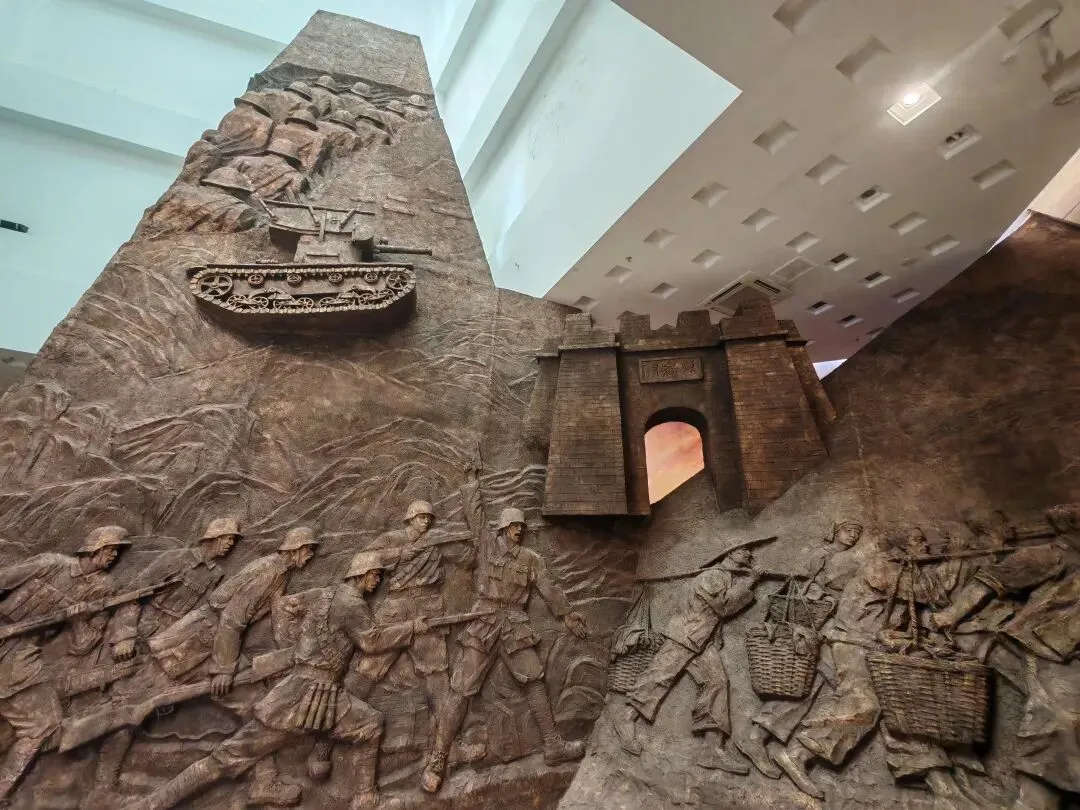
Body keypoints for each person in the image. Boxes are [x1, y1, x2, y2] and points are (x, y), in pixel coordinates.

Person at [122, 548, 423, 810]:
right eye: (375, 575)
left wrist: (294, 648)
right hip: (312, 696)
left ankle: (152, 803)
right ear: (361, 575)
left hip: (299, 691)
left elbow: (285, 605)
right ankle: (364, 799)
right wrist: (411, 628)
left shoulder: (326, 593)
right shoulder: (352, 603)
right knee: (369, 725)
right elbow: (371, 641)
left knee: (229, 756)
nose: (378, 581)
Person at [94, 527, 318, 808]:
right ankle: (101, 788)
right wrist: (223, 668)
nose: (310, 556)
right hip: (191, 647)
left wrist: (291, 651)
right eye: (308, 549)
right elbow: (232, 619)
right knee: (128, 711)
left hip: (209, 645)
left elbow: (276, 618)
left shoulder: (279, 573)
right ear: (295, 549)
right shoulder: (269, 571)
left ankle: (263, 780)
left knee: (256, 704)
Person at [420, 505, 588, 794]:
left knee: (534, 681)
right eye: (513, 525)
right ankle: (438, 760)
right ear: (502, 528)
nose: (519, 530)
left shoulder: (531, 559)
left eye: (521, 526)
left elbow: (549, 588)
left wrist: (568, 614)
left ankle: (553, 746)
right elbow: (475, 514)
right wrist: (471, 486)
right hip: (483, 624)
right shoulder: (487, 545)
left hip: (514, 626)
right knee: (460, 690)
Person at [83, 517, 243, 809]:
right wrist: (125, 636)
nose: (230, 545)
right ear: (212, 538)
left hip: (174, 647)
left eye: (233, 540)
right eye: (227, 538)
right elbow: (132, 596)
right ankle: (101, 789)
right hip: (143, 640)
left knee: (140, 711)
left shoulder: (215, 574)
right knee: (124, 712)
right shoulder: (177, 560)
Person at [0, 526, 136, 803]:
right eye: (110, 549)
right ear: (94, 548)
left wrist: (78, 619)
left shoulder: (104, 587)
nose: (114, 555)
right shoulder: (51, 564)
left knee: (44, 723)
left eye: (117, 551)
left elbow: (82, 645)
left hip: (21, 654)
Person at [613, 545, 761, 773]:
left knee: (717, 683)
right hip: (686, 634)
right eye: (743, 550)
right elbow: (723, 607)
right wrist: (750, 582)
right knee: (659, 676)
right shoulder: (712, 576)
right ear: (729, 553)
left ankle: (711, 750)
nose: (749, 554)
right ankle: (625, 718)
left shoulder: (725, 577)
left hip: (702, 640)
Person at [738, 522, 864, 777]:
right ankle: (760, 738)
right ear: (835, 532)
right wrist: (828, 599)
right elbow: (804, 585)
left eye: (856, 533)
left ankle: (769, 739)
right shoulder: (821, 554)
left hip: (827, 625)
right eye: (847, 530)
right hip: (809, 625)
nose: (852, 536)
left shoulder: (848, 561)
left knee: (812, 683)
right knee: (811, 679)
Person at [229, 139, 308, 202]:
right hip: (263, 207)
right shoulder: (294, 175)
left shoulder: (240, 160)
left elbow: (224, 176)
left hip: (231, 199)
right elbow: (294, 194)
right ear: (293, 158)